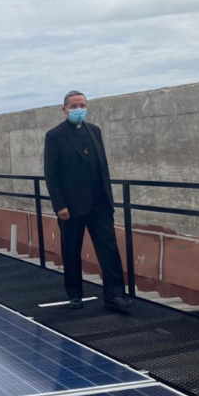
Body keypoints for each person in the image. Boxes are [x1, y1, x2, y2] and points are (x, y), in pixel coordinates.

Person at [43, 90, 134, 312]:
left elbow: (102, 166)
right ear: (64, 109)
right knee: (71, 250)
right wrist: (59, 205)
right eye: (74, 106)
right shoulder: (54, 136)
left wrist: (109, 198)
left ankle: (114, 295)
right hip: (71, 206)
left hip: (100, 203)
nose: (78, 109)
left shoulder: (94, 131)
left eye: (82, 105)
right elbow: (51, 173)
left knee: (109, 250)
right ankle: (75, 294)